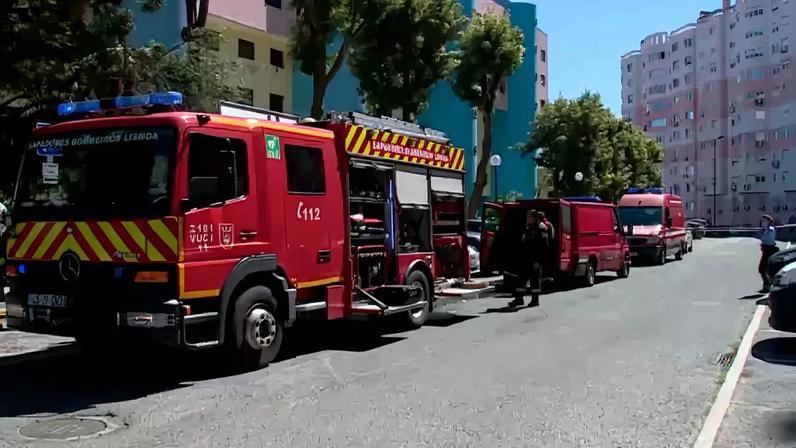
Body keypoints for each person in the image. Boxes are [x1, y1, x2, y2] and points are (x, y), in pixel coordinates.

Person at [507, 209, 549, 308]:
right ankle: (519, 299)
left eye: (529, 216)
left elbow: (543, 246)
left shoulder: (541, 228)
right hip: (525, 259)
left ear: (534, 217)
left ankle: (535, 300)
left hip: (535, 259)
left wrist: (538, 261)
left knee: (534, 280)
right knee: (521, 279)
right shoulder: (528, 227)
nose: (528, 218)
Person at [758, 214, 779, 293]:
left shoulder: (770, 230)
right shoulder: (766, 230)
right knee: (765, 268)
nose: (762, 222)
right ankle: (768, 285)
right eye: (761, 221)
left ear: (768, 222)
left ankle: (768, 285)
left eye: (763, 221)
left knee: (762, 268)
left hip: (769, 250)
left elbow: (768, 240)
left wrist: (763, 243)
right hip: (766, 250)